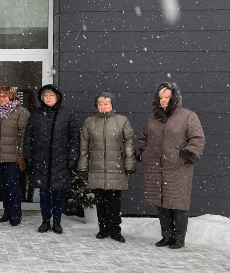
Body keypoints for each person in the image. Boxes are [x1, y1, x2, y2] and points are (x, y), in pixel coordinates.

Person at [138, 82, 205, 249]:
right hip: (155, 167)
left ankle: (179, 238)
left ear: (175, 98)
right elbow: (143, 137)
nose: (163, 100)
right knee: (161, 202)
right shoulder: (153, 118)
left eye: (167, 97)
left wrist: (183, 157)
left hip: (178, 169)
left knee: (178, 203)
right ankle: (166, 236)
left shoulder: (188, 116)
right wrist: (143, 154)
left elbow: (197, 139)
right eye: (161, 97)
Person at [78, 92, 136, 243]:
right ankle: (103, 229)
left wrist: (130, 165)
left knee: (114, 202)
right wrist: (83, 167)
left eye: (106, 104)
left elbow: (129, 144)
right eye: (100, 104)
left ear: (112, 105)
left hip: (116, 168)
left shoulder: (122, 121)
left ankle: (115, 230)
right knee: (101, 201)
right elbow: (84, 147)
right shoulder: (89, 122)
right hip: (96, 168)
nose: (103, 107)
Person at [23, 85, 80, 235]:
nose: (48, 98)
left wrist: (73, 157)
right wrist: (28, 156)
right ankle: (45, 221)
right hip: (41, 160)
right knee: (44, 193)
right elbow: (28, 137)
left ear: (57, 97)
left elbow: (75, 138)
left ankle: (57, 222)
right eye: (45, 95)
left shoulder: (67, 114)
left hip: (61, 161)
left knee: (59, 193)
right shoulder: (35, 114)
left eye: (51, 95)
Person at [0, 86, 30, 226]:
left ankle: (16, 214)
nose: (1, 98)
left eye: (4, 95)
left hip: (13, 158)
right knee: (3, 186)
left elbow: (25, 135)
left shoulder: (22, 112)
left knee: (13, 186)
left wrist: (21, 154)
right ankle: (7, 212)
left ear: (12, 96)